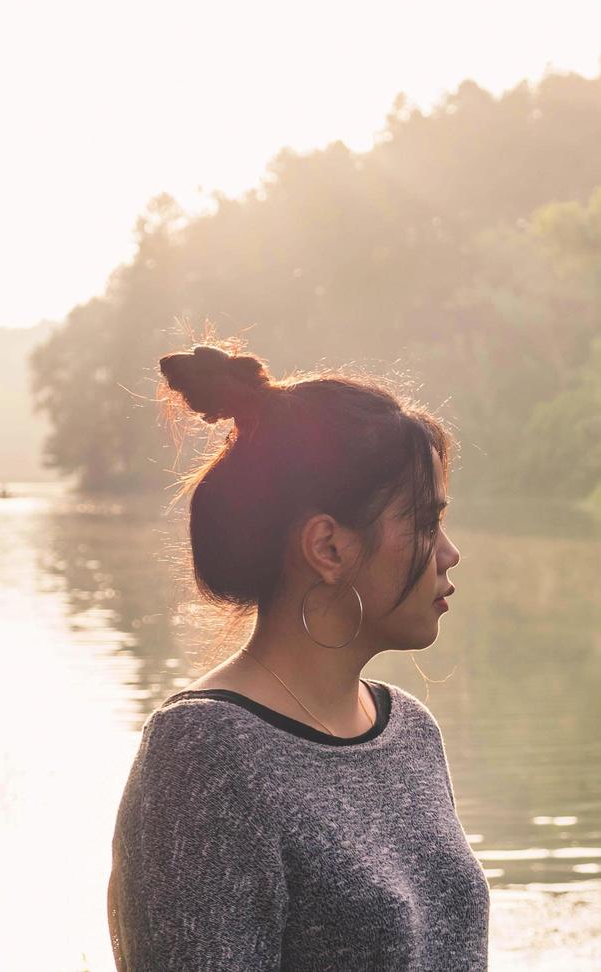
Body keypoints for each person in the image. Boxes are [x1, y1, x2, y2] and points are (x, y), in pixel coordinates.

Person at [107, 342, 490, 970]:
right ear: (328, 548)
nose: (449, 553)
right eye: (425, 522)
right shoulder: (205, 755)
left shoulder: (411, 732)